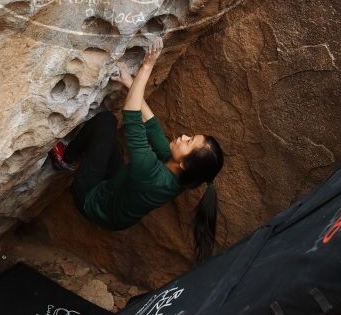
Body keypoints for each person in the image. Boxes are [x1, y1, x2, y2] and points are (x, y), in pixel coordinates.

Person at [48, 37, 225, 263]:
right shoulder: (182, 174)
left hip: (93, 202)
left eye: (188, 142)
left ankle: (65, 159)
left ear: (184, 164)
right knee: (110, 144)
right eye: (190, 137)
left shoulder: (150, 173)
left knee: (105, 122)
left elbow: (132, 116)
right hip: (119, 195)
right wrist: (129, 82)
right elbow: (151, 125)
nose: (183, 137)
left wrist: (147, 66)